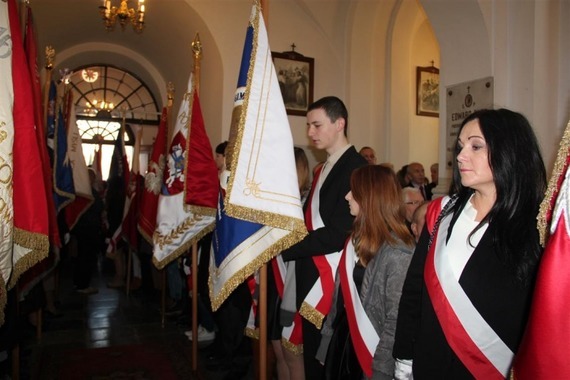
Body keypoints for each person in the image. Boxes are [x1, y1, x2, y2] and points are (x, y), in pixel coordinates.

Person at [393, 109, 547, 379]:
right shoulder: (441, 213)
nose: (461, 156)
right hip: (430, 362)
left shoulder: (539, 228)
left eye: (476, 146)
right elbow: (414, 293)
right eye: (461, 146)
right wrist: (404, 358)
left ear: (510, 150)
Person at [281, 96, 367, 378]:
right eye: (308, 126)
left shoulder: (356, 167)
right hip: (311, 270)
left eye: (317, 125)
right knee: (310, 358)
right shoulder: (324, 167)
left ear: (339, 123)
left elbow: (339, 234)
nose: (310, 133)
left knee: (324, 361)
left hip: (330, 278)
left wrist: (284, 248)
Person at [316, 165, 415, 379]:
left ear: (370, 197)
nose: (347, 196)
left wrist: (381, 369)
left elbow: (395, 320)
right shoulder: (354, 241)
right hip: (344, 340)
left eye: (354, 190)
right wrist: (327, 339)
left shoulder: (399, 252)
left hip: (372, 349)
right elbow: (338, 297)